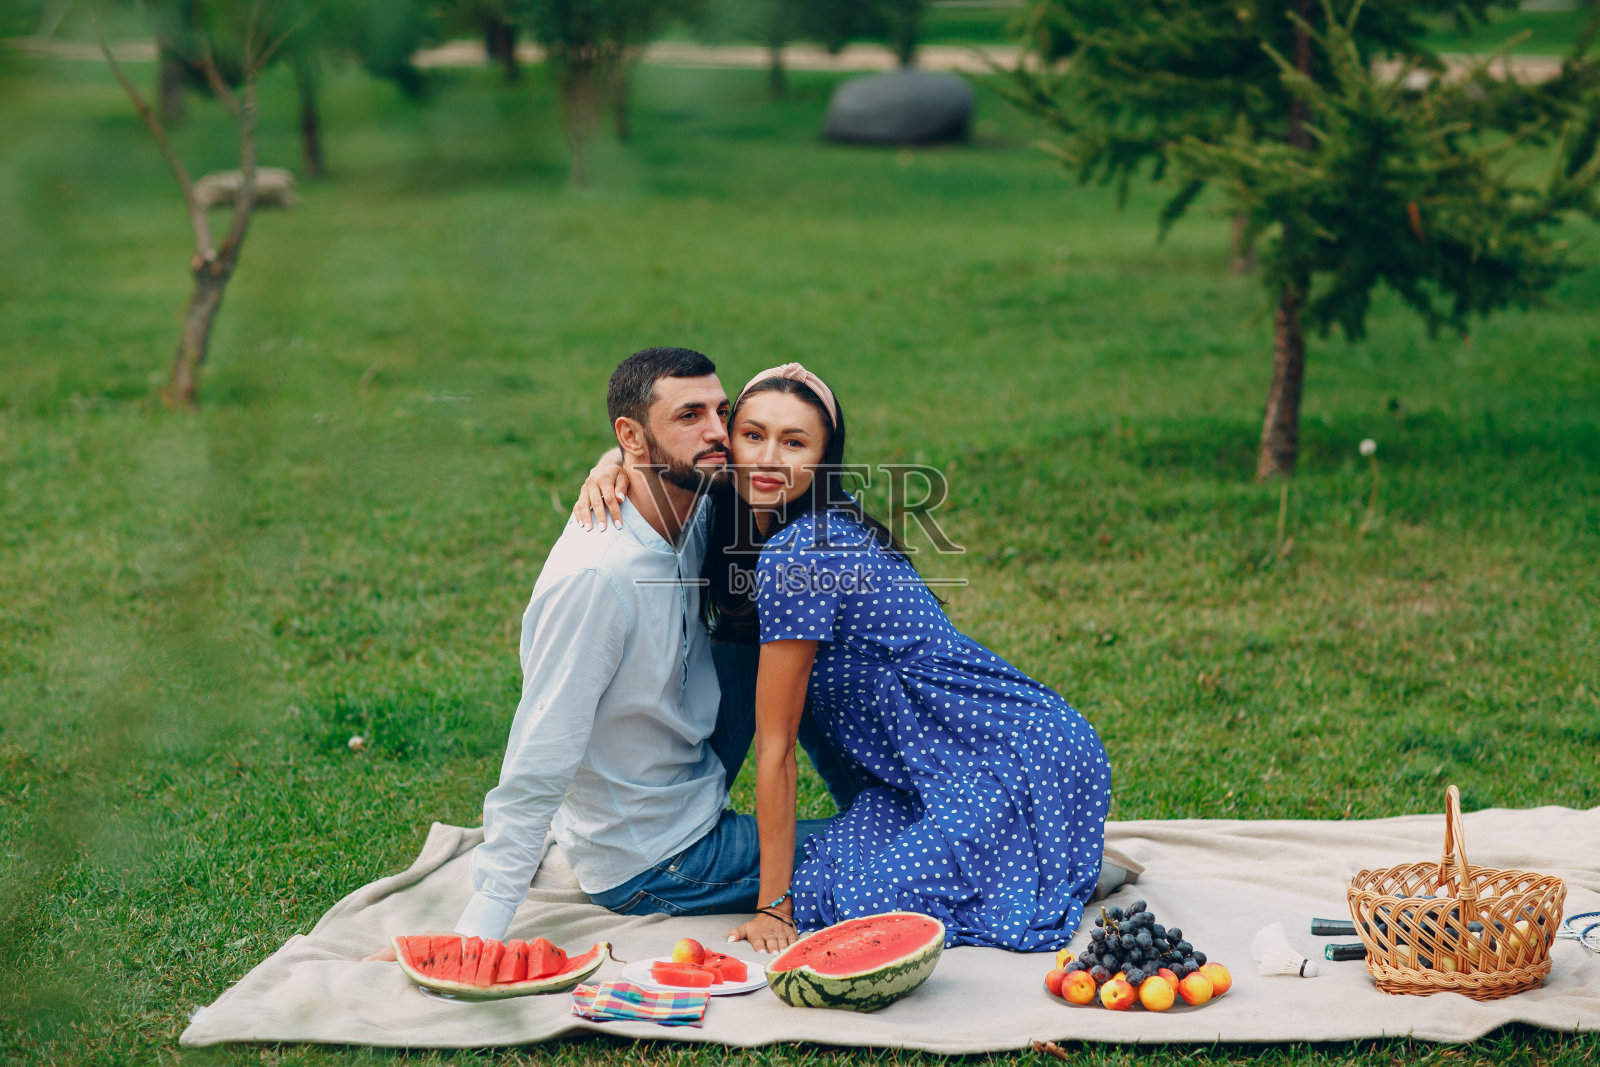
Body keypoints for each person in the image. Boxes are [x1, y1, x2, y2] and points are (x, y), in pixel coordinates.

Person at [693, 363, 1115, 955]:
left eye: (794, 442)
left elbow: (776, 747)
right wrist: (608, 466)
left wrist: (771, 906)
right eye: (753, 434)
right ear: (728, 440)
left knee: (866, 907)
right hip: (924, 775)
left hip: (1015, 752)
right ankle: (1054, 854)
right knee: (822, 889)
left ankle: (1052, 853)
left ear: (822, 459)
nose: (768, 458)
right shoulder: (793, 527)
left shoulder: (801, 550)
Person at [445, 347, 856, 944]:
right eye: (690, 416)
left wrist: (611, 460)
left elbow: (788, 442)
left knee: (796, 617)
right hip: (658, 860)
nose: (719, 434)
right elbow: (540, 753)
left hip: (690, 777)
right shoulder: (596, 579)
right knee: (893, 846)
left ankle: (883, 791)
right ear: (634, 436)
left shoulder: (691, 503)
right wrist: (484, 920)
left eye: (722, 411)